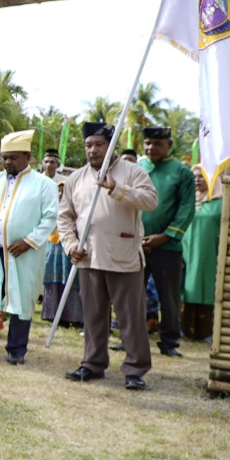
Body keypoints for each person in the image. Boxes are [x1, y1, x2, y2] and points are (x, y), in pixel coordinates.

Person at [59, 122, 157, 390]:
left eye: (99, 145)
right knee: (92, 315)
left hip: (123, 257)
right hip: (88, 257)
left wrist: (117, 189)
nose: (93, 150)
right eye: (88, 145)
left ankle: (135, 369)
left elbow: (150, 200)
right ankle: (92, 363)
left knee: (131, 317)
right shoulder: (76, 178)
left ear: (111, 145)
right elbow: (65, 217)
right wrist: (69, 245)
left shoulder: (132, 172)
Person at [0, 131, 58, 364]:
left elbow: (50, 218)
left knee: (21, 299)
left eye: (13, 158)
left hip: (23, 254)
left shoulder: (43, 184)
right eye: (4, 158)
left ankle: (16, 349)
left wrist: (29, 241)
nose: (7, 162)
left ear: (27, 156)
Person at [139, 126, 196, 357]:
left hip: (168, 246)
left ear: (169, 145)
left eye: (157, 144)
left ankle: (169, 342)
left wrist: (163, 237)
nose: (151, 148)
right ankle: (129, 336)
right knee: (132, 294)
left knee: (169, 296)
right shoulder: (138, 168)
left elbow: (186, 209)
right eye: (148, 143)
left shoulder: (182, 172)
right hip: (137, 245)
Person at [181, 165, 222, 342]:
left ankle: (206, 332)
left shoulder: (221, 200)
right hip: (185, 251)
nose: (197, 180)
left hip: (209, 252)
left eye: (202, 176)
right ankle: (184, 329)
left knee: (206, 286)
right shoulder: (186, 199)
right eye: (195, 176)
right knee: (185, 287)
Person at [40, 149, 81, 325]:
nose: (49, 165)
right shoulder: (37, 181)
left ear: (58, 164)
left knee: (66, 275)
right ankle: (48, 308)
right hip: (43, 233)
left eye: (52, 162)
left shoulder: (64, 182)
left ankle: (69, 314)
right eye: (46, 161)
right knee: (47, 274)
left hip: (64, 235)